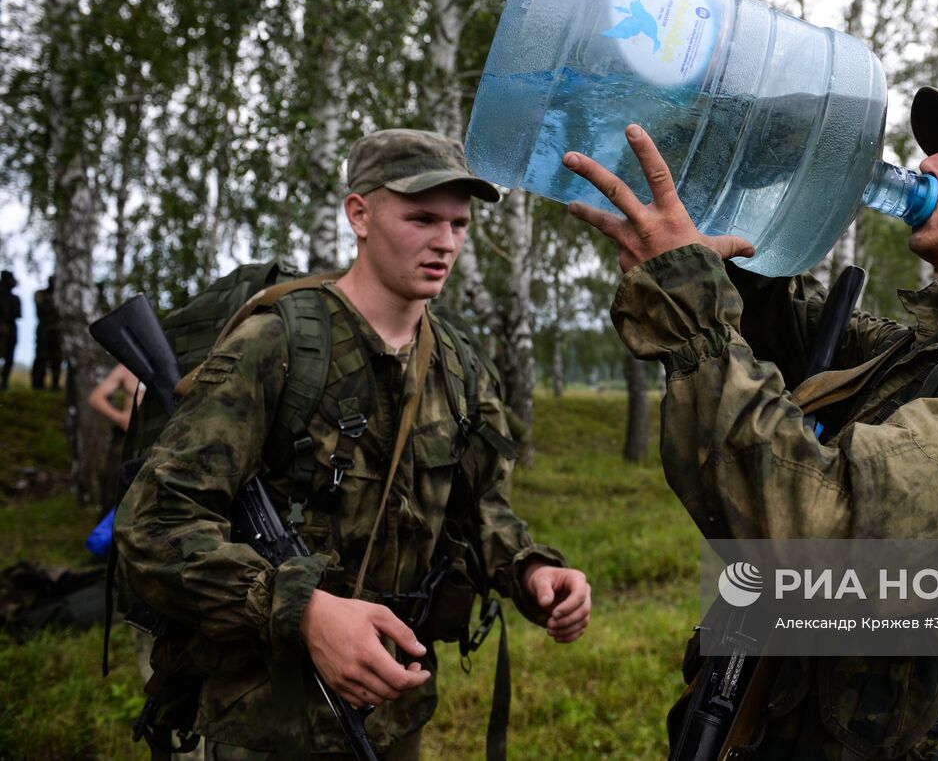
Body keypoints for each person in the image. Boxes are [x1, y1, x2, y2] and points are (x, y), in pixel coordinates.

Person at [566, 82, 938, 758]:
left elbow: (819, 536)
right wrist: (754, 164)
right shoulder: (917, 355)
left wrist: (690, 310)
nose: (929, 165)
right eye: (937, 149)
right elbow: (768, 317)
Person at [116, 129, 591, 759]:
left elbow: (480, 511)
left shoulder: (461, 367)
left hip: (392, 707)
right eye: (422, 218)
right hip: (267, 711)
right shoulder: (277, 343)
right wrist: (306, 610)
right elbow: (155, 522)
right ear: (359, 214)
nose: (445, 242)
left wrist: (533, 568)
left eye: (459, 223)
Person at [31, 274, 62, 390]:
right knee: (41, 357)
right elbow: (42, 309)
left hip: (57, 332)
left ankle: (55, 383)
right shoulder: (40, 294)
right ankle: (37, 384)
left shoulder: (62, 296)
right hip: (44, 331)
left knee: (57, 358)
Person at [0, 270, 19, 389]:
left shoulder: (14, 298)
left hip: (11, 329)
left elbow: (17, 314)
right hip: (5, 328)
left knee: (9, 357)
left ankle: (4, 382)